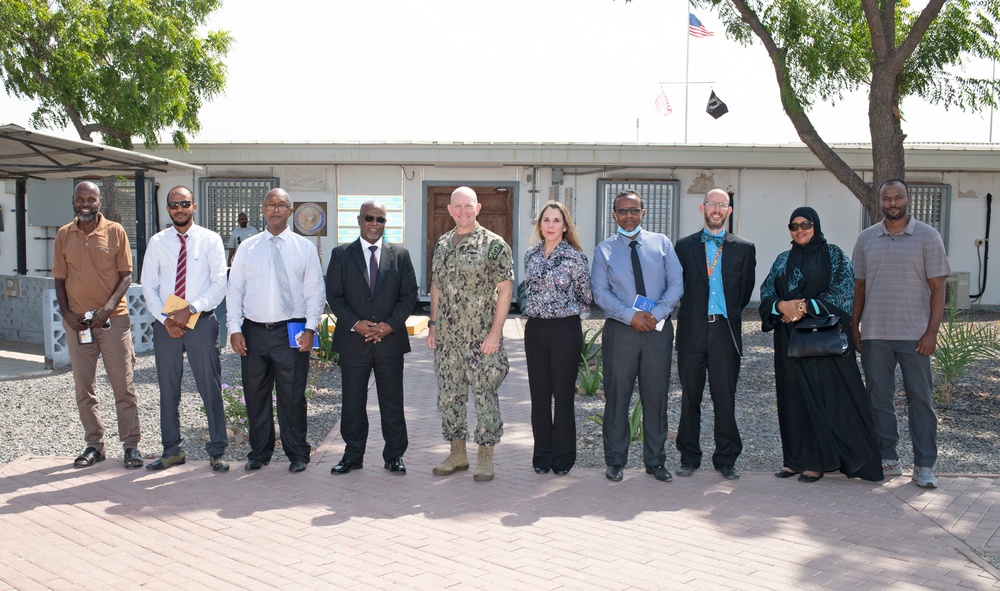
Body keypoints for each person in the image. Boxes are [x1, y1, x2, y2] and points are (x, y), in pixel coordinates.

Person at [759, 207, 883, 483]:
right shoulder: (783, 260)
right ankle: (795, 460)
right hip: (789, 341)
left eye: (806, 224)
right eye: (794, 226)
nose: (800, 230)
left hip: (822, 340)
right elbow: (766, 292)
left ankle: (818, 462)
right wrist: (781, 305)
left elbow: (843, 291)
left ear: (816, 225)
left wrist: (802, 306)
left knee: (825, 399)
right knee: (793, 399)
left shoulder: (834, 255)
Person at [852, 179, 950, 489]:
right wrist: (854, 326)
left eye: (898, 198)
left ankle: (924, 465)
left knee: (920, 400)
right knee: (878, 399)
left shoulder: (928, 236)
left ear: (907, 199)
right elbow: (860, 288)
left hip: (915, 334)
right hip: (876, 334)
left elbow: (938, 287)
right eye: (887, 199)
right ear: (878, 203)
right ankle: (888, 460)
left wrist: (932, 331)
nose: (892, 203)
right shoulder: (866, 239)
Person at [227, 188, 325, 473]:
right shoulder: (248, 247)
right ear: (263, 209)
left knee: (292, 396)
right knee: (255, 395)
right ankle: (260, 451)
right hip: (254, 331)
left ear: (291, 211)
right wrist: (235, 329)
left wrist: (310, 329)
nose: (276, 209)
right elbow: (235, 291)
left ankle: (298, 452)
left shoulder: (303, 248)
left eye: (282, 205)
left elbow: (315, 292)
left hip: (291, 331)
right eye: (271, 204)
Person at [591, 189, 683, 483]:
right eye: (622, 211)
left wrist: (657, 313)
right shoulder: (604, 250)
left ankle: (655, 461)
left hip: (657, 330)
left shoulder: (662, 244)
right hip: (621, 332)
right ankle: (616, 461)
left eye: (634, 210)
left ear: (644, 213)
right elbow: (601, 293)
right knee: (617, 397)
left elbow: (676, 283)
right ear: (614, 216)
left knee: (655, 397)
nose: (628, 215)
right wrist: (631, 316)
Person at [53, 181, 142, 469]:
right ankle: (95, 444)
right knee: (84, 388)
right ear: (73, 201)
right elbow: (59, 279)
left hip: (112, 322)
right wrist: (66, 314)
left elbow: (126, 275)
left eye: (91, 198)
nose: (85, 203)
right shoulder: (64, 234)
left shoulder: (115, 231)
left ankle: (131, 445)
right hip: (78, 324)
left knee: (123, 386)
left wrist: (106, 309)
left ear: (100, 200)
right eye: (81, 199)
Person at [427, 186, 513, 482]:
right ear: (449, 210)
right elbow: (436, 285)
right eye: (457, 207)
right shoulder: (442, 244)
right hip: (448, 339)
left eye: (468, 206)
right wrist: (433, 325)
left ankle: (485, 456)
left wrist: (495, 334)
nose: (463, 211)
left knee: (484, 396)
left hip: (481, 338)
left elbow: (505, 291)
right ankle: (457, 453)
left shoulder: (494, 245)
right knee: (449, 396)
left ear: (478, 208)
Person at [140, 186, 229, 472]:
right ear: (168, 209)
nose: (179, 208)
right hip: (167, 325)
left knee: (210, 387)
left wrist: (189, 310)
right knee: (168, 389)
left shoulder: (210, 240)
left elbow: (219, 284)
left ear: (194, 206)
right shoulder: (157, 242)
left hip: (200, 322)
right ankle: (171, 450)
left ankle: (217, 450)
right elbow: (149, 286)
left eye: (184, 203)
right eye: (174, 204)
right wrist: (167, 319)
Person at [326, 201, 418, 476]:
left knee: (392, 402)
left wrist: (389, 326)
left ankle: (394, 456)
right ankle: (353, 455)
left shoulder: (400, 255)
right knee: (353, 402)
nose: (375, 224)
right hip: (354, 342)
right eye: (370, 218)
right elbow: (334, 296)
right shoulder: (341, 254)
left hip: (390, 342)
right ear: (359, 220)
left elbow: (408, 296)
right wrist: (356, 324)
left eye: (380, 219)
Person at [674, 188, 756, 480]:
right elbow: (676, 285)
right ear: (702, 208)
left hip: (725, 331)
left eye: (723, 205)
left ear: (729, 211)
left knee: (725, 398)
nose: (717, 209)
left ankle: (726, 459)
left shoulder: (744, 248)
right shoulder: (683, 246)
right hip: (692, 331)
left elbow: (744, 293)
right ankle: (688, 457)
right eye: (712, 204)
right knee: (690, 398)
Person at [523, 201, 593, 476]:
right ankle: (542, 455)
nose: (550, 225)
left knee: (563, 396)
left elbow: (585, 296)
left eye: (556, 220)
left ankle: (563, 456)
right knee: (539, 396)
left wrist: (568, 316)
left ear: (565, 226)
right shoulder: (531, 255)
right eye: (546, 220)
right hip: (535, 330)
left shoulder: (575, 257)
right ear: (540, 225)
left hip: (565, 330)